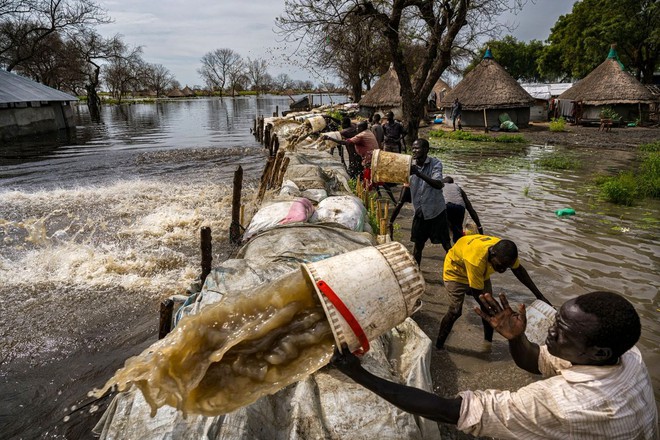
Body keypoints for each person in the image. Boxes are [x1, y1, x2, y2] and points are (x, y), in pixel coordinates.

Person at [331, 291, 658, 439]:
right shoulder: (628, 357)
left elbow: (450, 412)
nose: (551, 331)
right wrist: (516, 338)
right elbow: (536, 362)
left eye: (562, 331)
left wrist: (360, 373)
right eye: (556, 320)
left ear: (598, 353)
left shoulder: (560, 403)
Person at [436, 235, 550, 350]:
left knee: (489, 311)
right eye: (500, 266)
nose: (502, 270)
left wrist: (539, 296)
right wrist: (498, 313)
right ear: (492, 254)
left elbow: (519, 271)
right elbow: (478, 294)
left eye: (507, 267)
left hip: (481, 271)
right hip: (456, 272)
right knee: (455, 311)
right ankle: (439, 346)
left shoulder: (505, 253)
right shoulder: (476, 259)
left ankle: (487, 345)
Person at [389, 138, 451, 265]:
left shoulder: (435, 164)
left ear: (426, 150)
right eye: (413, 148)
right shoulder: (409, 166)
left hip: (436, 212)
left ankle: (457, 272)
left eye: (417, 148)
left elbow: (438, 184)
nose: (414, 151)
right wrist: (391, 221)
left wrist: (418, 173)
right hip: (420, 213)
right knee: (418, 246)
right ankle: (417, 272)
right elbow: (391, 170)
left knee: (447, 245)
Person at [441, 176, 483, 244]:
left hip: (446, 206)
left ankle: (448, 249)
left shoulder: (440, 186)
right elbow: (470, 210)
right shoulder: (458, 188)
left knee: (444, 230)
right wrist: (479, 227)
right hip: (459, 207)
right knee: (457, 232)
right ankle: (458, 247)